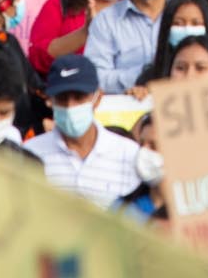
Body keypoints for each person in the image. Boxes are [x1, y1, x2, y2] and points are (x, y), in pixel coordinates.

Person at [26, 53, 155, 207]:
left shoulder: (130, 155)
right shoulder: (29, 155)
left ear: (98, 97)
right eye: (62, 98)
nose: (70, 106)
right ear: (49, 100)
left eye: (79, 97)